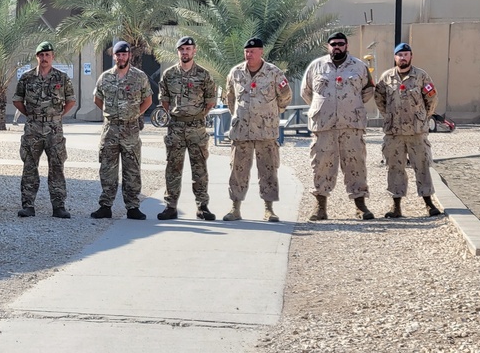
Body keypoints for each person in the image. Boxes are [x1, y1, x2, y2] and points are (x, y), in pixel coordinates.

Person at [301, 31, 376, 221]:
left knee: (355, 164)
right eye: (333, 44)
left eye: (341, 43)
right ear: (328, 46)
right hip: (324, 127)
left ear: (347, 45)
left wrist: (350, 105)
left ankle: (360, 207)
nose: (337, 47)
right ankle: (320, 207)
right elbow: (306, 92)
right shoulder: (316, 66)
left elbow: (368, 90)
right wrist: (323, 108)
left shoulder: (359, 66)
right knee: (321, 165)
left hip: (351, 125)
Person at [222, 38, 293, 222]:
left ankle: (269, 209)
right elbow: (230, 98)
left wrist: (271, 114)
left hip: (266, 132)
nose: (249, 54)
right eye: (246, 51)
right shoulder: (236, 72)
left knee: (268, 170)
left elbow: (285, 97)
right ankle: (235, 208)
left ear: (261, 52)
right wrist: (239, 115)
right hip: (241, 132)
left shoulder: (274, 72)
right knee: (237, 170)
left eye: (253, 51)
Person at [373, 43, 442, 218]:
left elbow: (431, 98)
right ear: (395, 57)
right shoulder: (386, 77)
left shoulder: (421, 76)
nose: (403, 58)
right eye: (399, 55)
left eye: (406, 54)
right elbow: (379, 98)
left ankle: (428, 203)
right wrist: (389, 116)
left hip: (416, 132)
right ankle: (396, 206)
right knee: (394, 167)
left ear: (411, 56)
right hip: (394, 133)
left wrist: (423, 117)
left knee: (422, 166)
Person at [12, 41, 77, 218]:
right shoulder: (27, 78)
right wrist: (31, 115)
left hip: (54, 129)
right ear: (37, 57)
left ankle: (59, 206)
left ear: (53, 56)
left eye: (48, 55)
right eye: (41, 55)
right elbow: (17, 100)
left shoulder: (62, 78)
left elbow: (71, 100)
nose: (44, 58)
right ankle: (28, 205)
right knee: (30, 166)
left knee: (56, 165)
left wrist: (56, 116)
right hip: (33, 128)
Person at [156, 36, 218, 221]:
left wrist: (195, 115)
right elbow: (164, 100)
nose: (185, 52)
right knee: (173, 167)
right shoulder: (169, 75)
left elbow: (210, 102)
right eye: (182, 49)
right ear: (178, 52)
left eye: (188, 49)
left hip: (197, 128)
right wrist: (179, 115)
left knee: (199, 168)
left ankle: (202, 206)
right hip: (175, 127)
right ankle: (170, 206)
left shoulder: (204, 75)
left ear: (194, 51)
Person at [90, 41, 153, 220]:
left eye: (124, 54)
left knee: (131, 168)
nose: (121, 57)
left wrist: (134, 114)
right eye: (118, 54)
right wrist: (110, 113)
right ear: (114, 56)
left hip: (130, 129)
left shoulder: (139, 77)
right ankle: (105, 206)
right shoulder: (105, 77)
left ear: (129, 56)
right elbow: (97, 98)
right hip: (110, 129)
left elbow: (147, 100)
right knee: (108, 169)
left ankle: (132, 206)